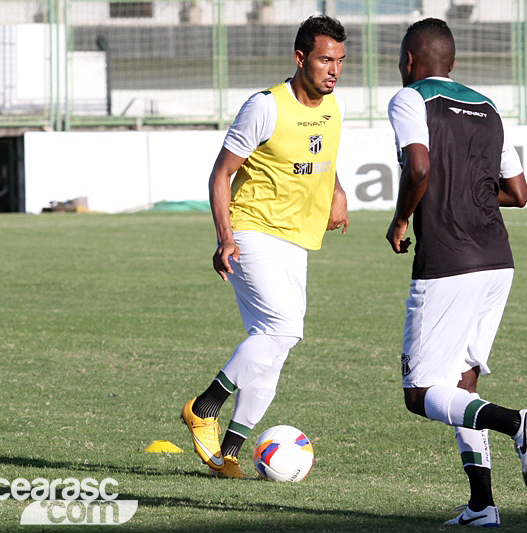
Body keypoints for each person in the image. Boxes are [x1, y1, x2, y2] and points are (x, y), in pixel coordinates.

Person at [385, 18, 527, 527]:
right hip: (497, 261)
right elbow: (518, 193)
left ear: (409, 61)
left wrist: (401, 216)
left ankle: (515, 423)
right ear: (452, 64)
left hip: (448, 264)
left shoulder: (410, 99)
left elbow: (417, 166)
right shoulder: (487, 106)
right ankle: (482, 506)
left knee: (420, 395)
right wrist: (468, 193)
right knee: (461, 383)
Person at [181, 14, 348, 479]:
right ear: (300, 59)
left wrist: (337, 192)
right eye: (324, 60)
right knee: (282, 330)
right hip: (253, 231)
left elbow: (325, 157)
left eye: (339, 60)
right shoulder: (265, 107)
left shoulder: (333, 107)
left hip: (297, 240)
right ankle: (205, 406)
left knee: (275, 346)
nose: (333, 70)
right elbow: (220, 173)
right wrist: (225, 238)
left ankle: (228, 453)